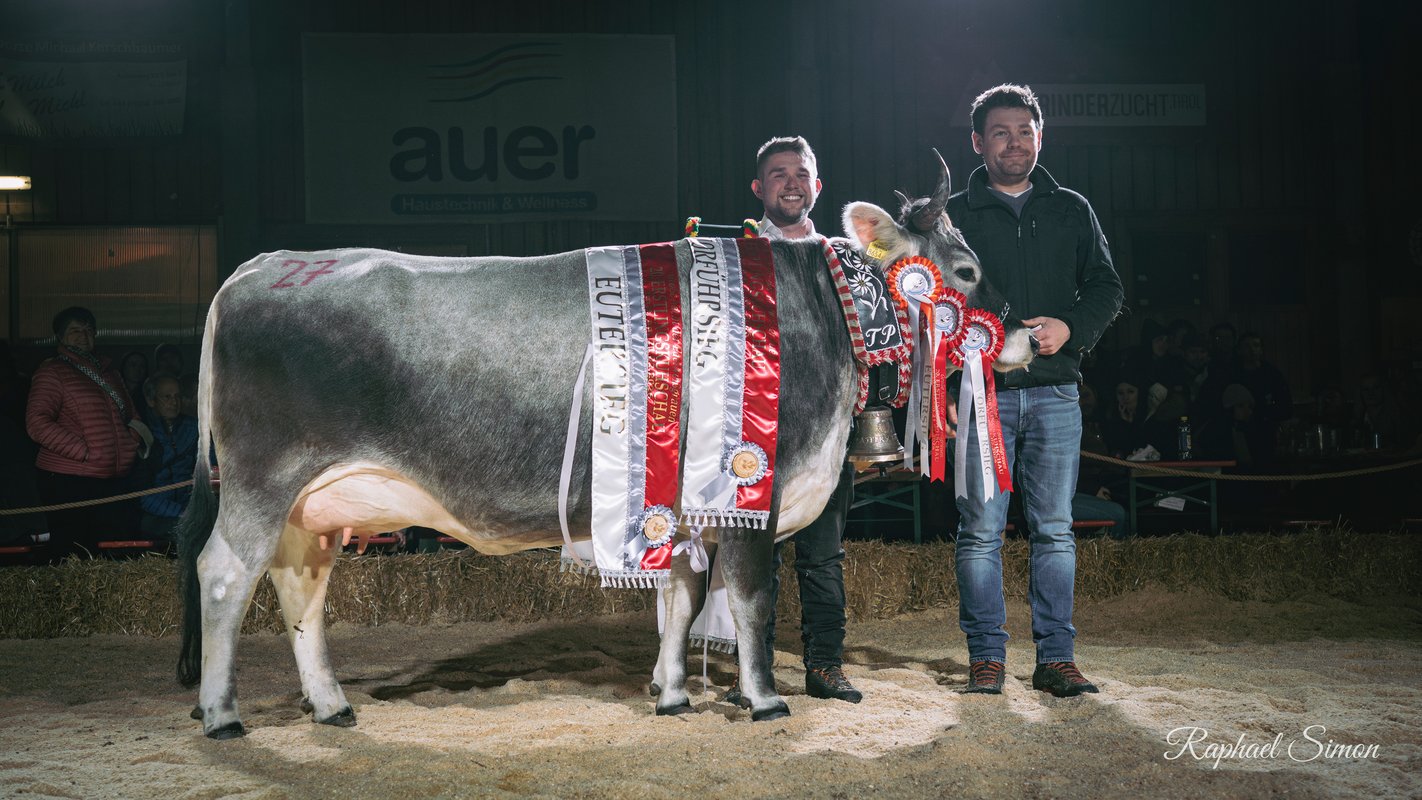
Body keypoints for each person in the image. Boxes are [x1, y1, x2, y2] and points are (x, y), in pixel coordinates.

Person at [944, 84, 1123, 697]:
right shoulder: (954, 217)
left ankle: (1056, 658)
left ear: (1040, 137)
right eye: (1000, 132)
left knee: (1054, 529)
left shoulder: (1071, 208)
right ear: (978, 142)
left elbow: (1106, 287)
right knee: (980, 532)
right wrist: (950, 382)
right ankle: (986, 658)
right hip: (982, 395)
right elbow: (932, 304)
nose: (1014, 142)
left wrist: (1071, 327)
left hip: (1055, 392)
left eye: (1025, 131)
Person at [729, 135, 860, 703]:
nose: (791, 183)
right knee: (750, 556)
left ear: (817, 186)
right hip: (747, 436)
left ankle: (825, 666)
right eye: (779, 174)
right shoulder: (733, 256)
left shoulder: (843, 261)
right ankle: (748, 671)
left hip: (823, 434)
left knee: (823, 556)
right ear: (759, 188)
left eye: (801, 174)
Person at [25, 307, 147, 555]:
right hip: (68, 479)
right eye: (75, 330)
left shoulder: (110, 373)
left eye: (89, 330)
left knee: (111, 545)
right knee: (74, 549)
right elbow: (36, 422)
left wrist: (129, 444)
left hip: (111, 477)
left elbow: (132, 415)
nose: (84, 335)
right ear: (60, 337)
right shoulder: (52, 371)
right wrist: (85, 452)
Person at [137, 373, 198, 540]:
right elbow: (142, 494)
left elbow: (210, 469)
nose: (174, 402)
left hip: (192, 508)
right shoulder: (141, 432)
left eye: (177, 396)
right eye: (167, 397)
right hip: (157, 514)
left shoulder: (194, 427)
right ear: (151, 400)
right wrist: (182, 513)